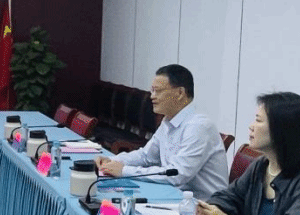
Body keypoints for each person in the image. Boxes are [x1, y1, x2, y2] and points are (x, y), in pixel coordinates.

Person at [94, 64, 228, 199]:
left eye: (157, 91)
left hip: (202, 204)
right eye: (152, 91)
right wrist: (113, 161)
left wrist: (124, 171)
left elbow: (177, 175)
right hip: (173, 194)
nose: (152, 97)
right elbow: (146, 156)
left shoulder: (199, 126)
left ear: (180, 93)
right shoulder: (168, 121)